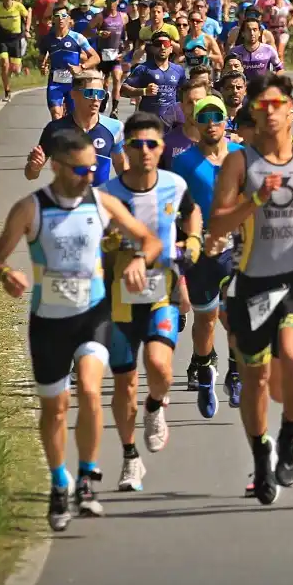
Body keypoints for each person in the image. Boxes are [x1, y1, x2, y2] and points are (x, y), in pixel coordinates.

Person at [0, 130, 162, 530]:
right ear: (57, 166)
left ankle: (86, 477)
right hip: (48, 322)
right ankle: (58, 482)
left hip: (93, 315)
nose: (89, 175)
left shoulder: (102, 203)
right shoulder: (29, 209)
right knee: (55, 409)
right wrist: (7, 273)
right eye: (81, 169)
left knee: (88, 389)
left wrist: (138, 262)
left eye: (93, 168)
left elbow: (148, 240)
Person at [208, 74, 293, 505]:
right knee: (257, 376)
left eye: (276, 104)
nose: (269, 112)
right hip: (251, 283)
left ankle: (289, 434)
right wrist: (255, 200)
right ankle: (261, 456)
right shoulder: (239, 163)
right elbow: (219, 223)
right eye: (261, 105)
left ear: (291, 110)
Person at [102, 113, 203, 491]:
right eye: (136, 144)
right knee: (124, 384)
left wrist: (192, 242)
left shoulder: (175, 186)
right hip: (119, 302)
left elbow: (192, 213)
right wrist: (109, 247)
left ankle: (156, 407)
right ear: (125, 149)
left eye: (152, 144)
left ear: (162, 148)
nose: (144, 152)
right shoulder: (109, 194)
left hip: (161, 292)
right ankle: (130, 459)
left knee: (160, 368)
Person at [171, 95, 245, 411]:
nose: (212, 121)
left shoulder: (243, 154)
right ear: (195, 123)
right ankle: (204, 371)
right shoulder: (183, 161)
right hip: (201, 250)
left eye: (217, 115)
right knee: (207, 320)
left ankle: (237, 374)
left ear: (227, 119)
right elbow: (177, 210)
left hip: (238, 247)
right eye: (205, 116)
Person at [26, 72, 125, 187]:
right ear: (73, 94)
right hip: (66, 202)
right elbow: (30, 175)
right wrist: (34, 168)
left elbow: (121, 167)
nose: (96, 99)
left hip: (99, 202)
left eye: (100, 93)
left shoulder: (114, 128)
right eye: (90, 93)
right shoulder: (55, 129)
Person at [121, 29, 186, 137]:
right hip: (148, 123)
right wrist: (144, 91)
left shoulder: (178, 70)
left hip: (172, 124)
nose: (162, 47)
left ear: (171, 48)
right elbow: (123, 90)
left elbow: (186, 92)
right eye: (158, 44)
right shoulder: (143, 68)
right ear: (152, 48)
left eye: (166, 44)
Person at [41, 8, 101, 120]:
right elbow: (42, 58)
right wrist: (43, 67)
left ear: (69, 19)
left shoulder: (78, 37)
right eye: (57, 16)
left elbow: (96, 57)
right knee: (56, 114)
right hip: (55, 83)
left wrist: (81, 67)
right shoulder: (48, 39)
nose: (61, 19)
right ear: (53, 19)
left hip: (74, 83)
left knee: (74, 117)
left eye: (64, 16)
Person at [87, 0, 129, 117]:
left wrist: (124, 51)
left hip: (116, 55)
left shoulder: (123, 17)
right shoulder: (100, 16)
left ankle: (115, 109)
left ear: (117, 2)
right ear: (107, 2)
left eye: (114, 0)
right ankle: (104, 96)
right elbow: (86, 32)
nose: (112, 3)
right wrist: (99, 33)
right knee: (104, 83)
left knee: (117, 78)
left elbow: (127, 37)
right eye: (109, 0)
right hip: (103, 54)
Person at [0, 0, 31, 102]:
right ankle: (7, 91)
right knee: (4, 63)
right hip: (3, 38)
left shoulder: (18, 6)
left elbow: (28, 15)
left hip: (16, 38)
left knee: (15, 69)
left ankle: (20, 69)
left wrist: (27, 29)